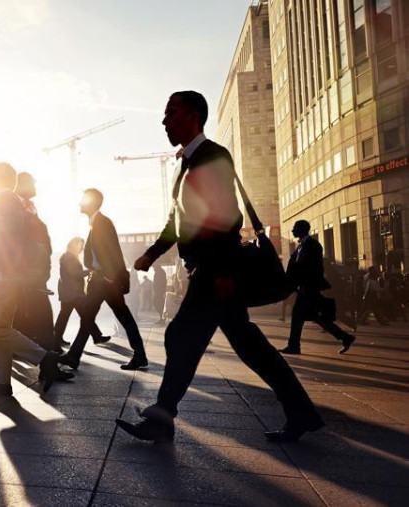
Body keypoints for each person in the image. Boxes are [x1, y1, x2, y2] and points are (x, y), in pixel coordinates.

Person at [117, 90, 323, 443]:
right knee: (247, 345)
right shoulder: (187, 164)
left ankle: (162, 418)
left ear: (194, 115)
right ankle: (301, 412)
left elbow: (227, 216)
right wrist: (152, 253)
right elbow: (176, 221)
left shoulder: (213, 156)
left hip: (216, 271)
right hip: (209, 270)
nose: (165, 121)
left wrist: (226, 271)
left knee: (181, 336)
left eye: (172, 113)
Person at [0, 162, 73, 397]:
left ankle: (44, 358)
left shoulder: (4, 199)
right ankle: (1, 381)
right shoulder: (10, 200)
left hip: (5, 275)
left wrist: (7, 269)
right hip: (8, 274)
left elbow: (13, 236)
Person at [59, 189, 148, 371]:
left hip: (105, 282)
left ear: (92, 203)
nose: (79, 204)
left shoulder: (102, 223)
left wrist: (109, 278)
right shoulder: (96, 224)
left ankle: (139, 355)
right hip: (100, 282)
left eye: (83, 200)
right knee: (89, 318)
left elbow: (113, 251)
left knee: (122, 317)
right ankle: (74, 357)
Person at [279, 220, 357, 355]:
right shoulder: (301, 246)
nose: (292, 230)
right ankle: (346, 337)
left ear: (302, 229)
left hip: (309, 288)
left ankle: (294, 346)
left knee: (300, 316)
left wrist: (306, 284)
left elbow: (315, 269)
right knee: (315, 317)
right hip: (305, 288)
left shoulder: (313, 245)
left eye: (294, 228)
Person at [13, 172, 59, 352]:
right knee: (38, 317)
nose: (35, 188)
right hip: (23, 275)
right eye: (33, 183)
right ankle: (50, 359)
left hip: (35, 275)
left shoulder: (31, 207)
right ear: (23, 183)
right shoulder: (14, 206)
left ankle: (49, 357)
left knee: (27, 318)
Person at [54, 237, 107, 346]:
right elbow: (74, 274)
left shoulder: (68, 256)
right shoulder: (69, 257)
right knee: (84, 315)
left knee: (67, 316)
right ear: (75, 245)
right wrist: (90, 271)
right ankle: (96, 336)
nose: (82, 250)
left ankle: (56, 339)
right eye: (81, 247)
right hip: (72, 294)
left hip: (70, 293)